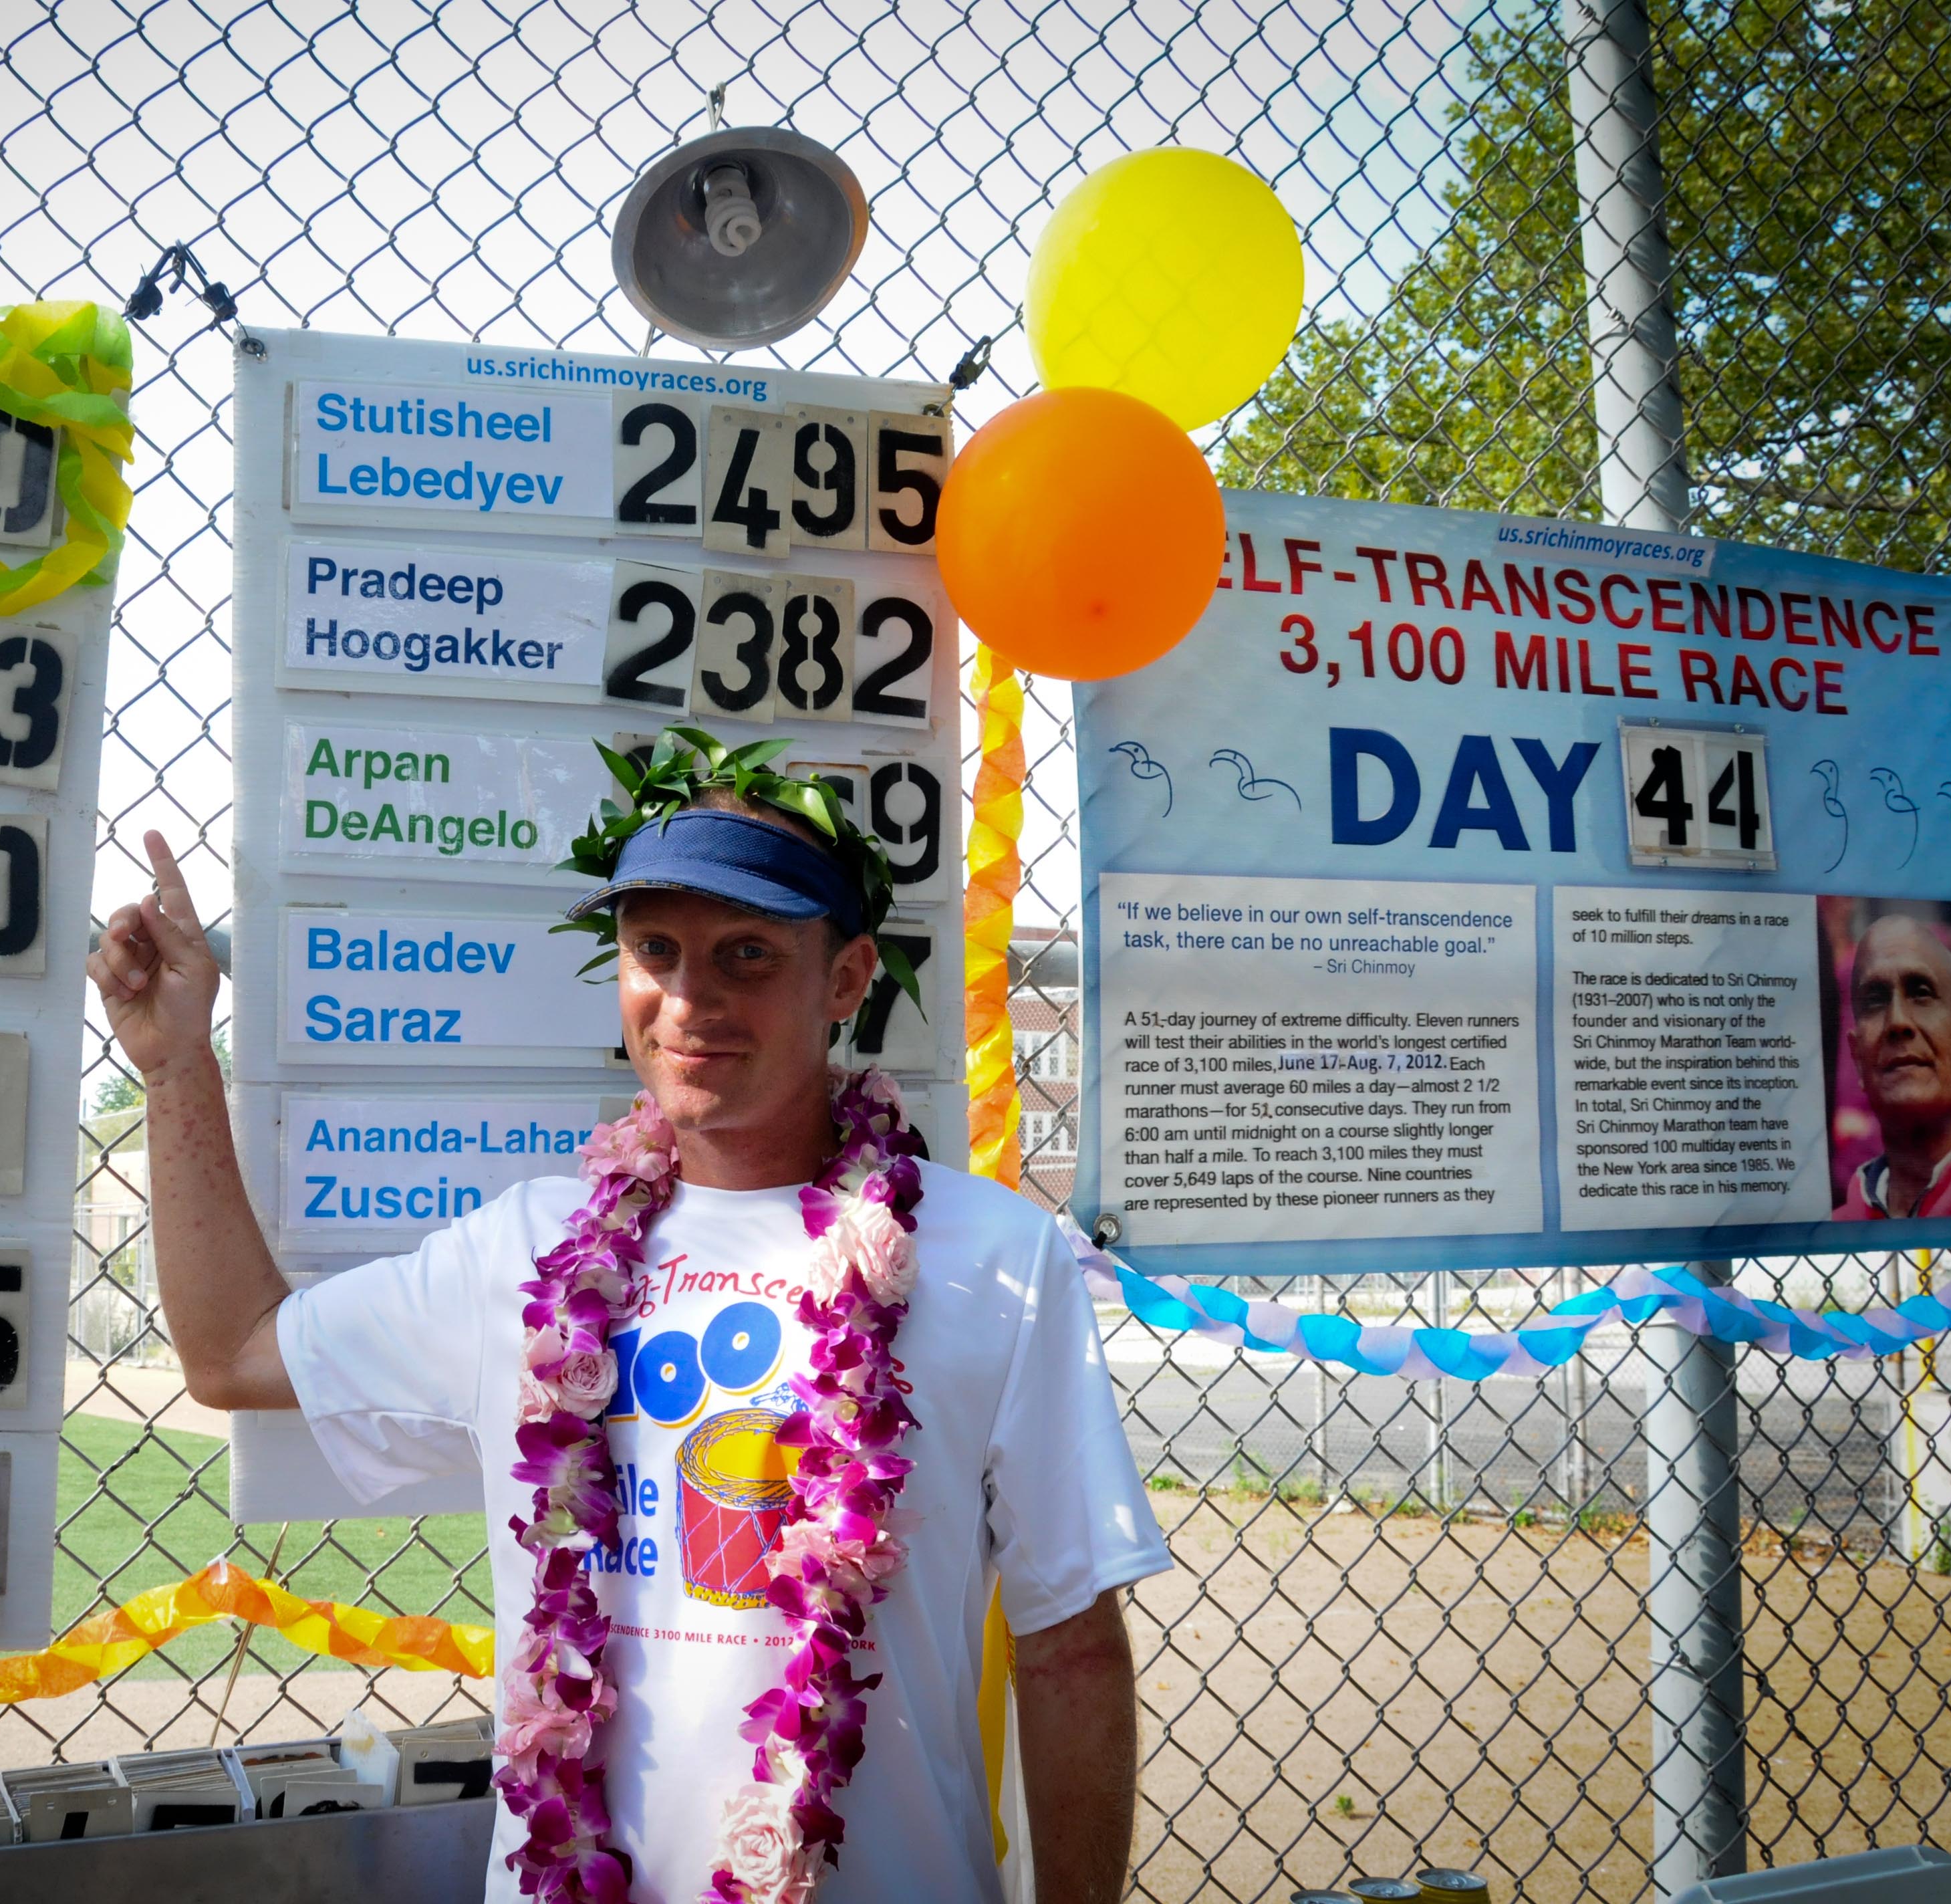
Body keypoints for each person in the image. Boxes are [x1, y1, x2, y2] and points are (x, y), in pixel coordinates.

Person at [92, 733, 1166, 1904]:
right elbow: (232, 1351)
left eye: (747, 952)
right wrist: (176, 1065)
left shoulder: (993, 1258)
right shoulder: (524, 1249)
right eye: (655, 949)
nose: (689, 998)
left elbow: (1068, 1642)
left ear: (848, 979)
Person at [1835, 912, 1951, 1219]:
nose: (1898, 1021)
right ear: (1858, 1060)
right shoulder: (1836, 1227)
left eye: (1921, 993)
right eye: (1876, 999)